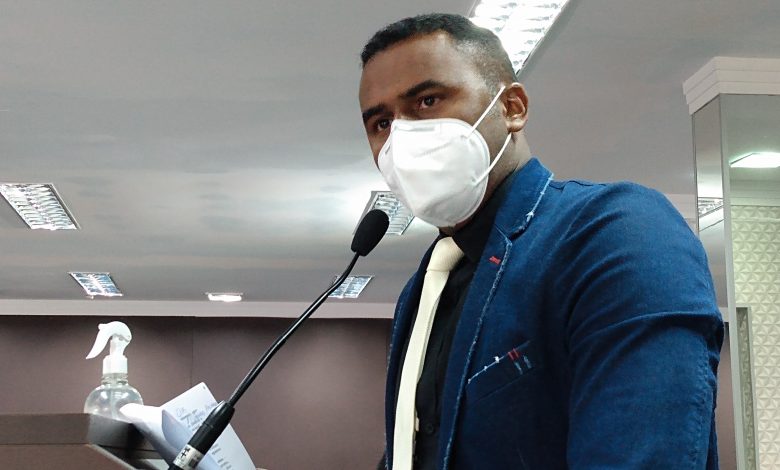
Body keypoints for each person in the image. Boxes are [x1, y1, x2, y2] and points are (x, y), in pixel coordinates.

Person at [358, 13, 723, 470]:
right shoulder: (425, 288)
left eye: (428, 101)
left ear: (512, 107)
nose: (402, 136)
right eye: (381, 123)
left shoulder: (616, 232)